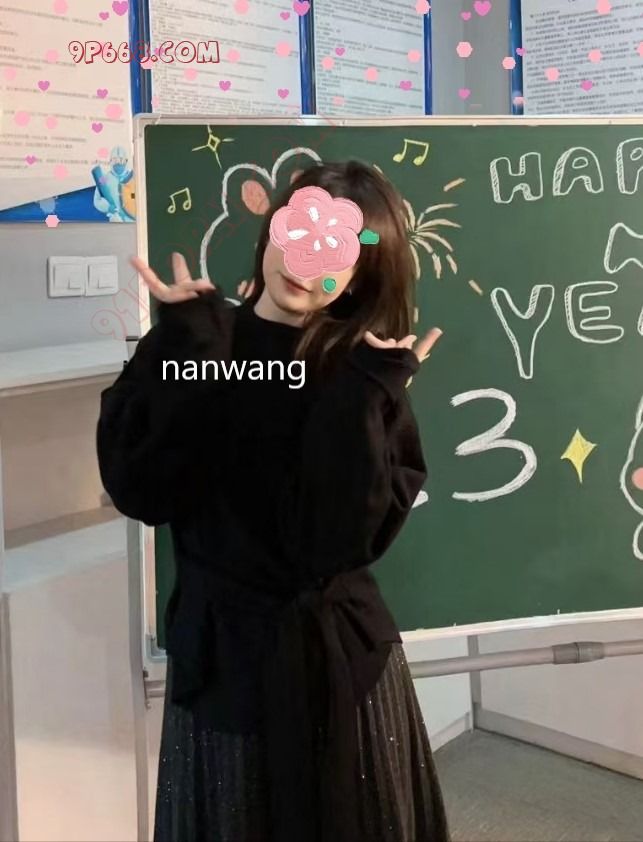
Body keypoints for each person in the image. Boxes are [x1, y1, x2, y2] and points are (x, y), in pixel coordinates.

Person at [96, 160, 450, 842]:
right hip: (224, 665)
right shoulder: (200, 341)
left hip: (342, 665)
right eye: (300, 231)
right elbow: (139, 488)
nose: (305, 263)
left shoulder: (363, 370)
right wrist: (181, 347)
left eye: (336, 250)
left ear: (359, 275)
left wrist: (365, 399)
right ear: (272, 228)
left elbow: (344, 541)